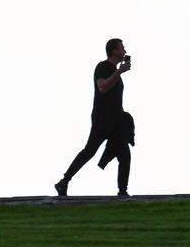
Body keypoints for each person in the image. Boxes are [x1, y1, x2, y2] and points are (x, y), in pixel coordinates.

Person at [55, 39, 133, 197]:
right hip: (103, 119)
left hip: (116, 120)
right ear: (113, 51)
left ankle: (122, 192)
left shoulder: (114, 70)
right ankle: (64, 181)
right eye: (122, 48)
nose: (124, 51)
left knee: (125, 155)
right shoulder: (103, 67)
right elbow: (102, 87)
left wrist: (119, 72)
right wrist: (119, 72)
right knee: (89, 151)